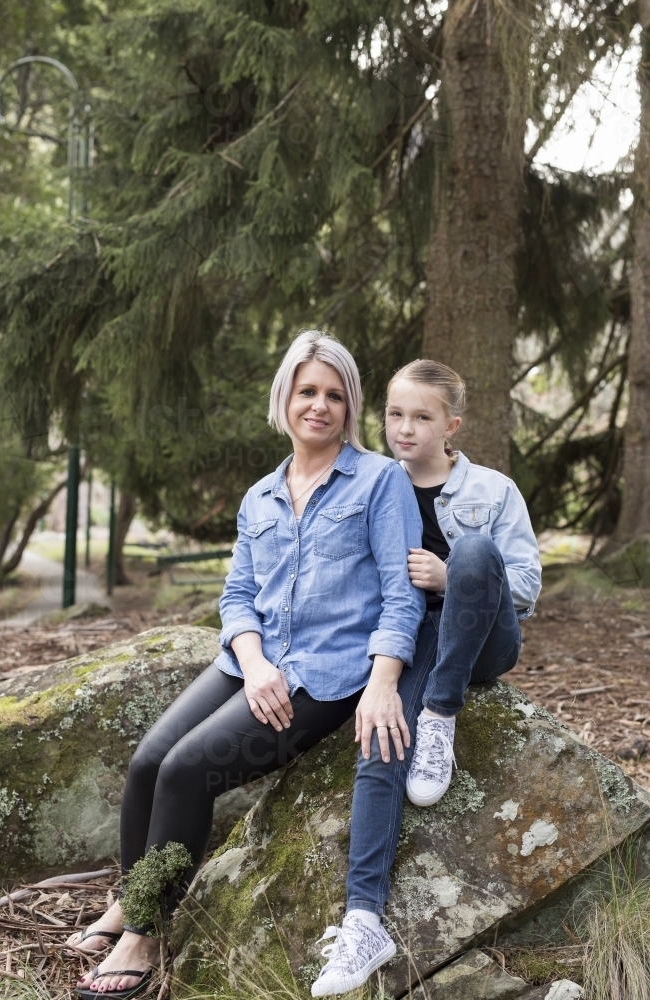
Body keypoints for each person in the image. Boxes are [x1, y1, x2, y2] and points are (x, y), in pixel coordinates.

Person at [69, 330, 425, 998]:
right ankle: (129, 895)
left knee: (187, 770)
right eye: (306, 391)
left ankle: (145, 932)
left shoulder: (380, 482)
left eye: (333, 395)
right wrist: (254, 662)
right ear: (284, 397)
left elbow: (401, 595)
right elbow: (237, 596)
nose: (318, 406)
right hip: (253, 663)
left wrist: (382, 683)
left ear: (349, 406)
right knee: (148, 760)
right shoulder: (260, 495)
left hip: (327, 675)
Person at [310, 359, 541, 997]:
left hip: (481, 643)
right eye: (394, 415)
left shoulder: (492, 491)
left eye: (422, 417)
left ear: (451, 426)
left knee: (471, 551)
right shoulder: (368, 483)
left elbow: (525, 585)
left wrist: (449, 576)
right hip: (408, 642)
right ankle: (363, 920)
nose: (405, 429)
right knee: (380, 737)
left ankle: (442, 713)